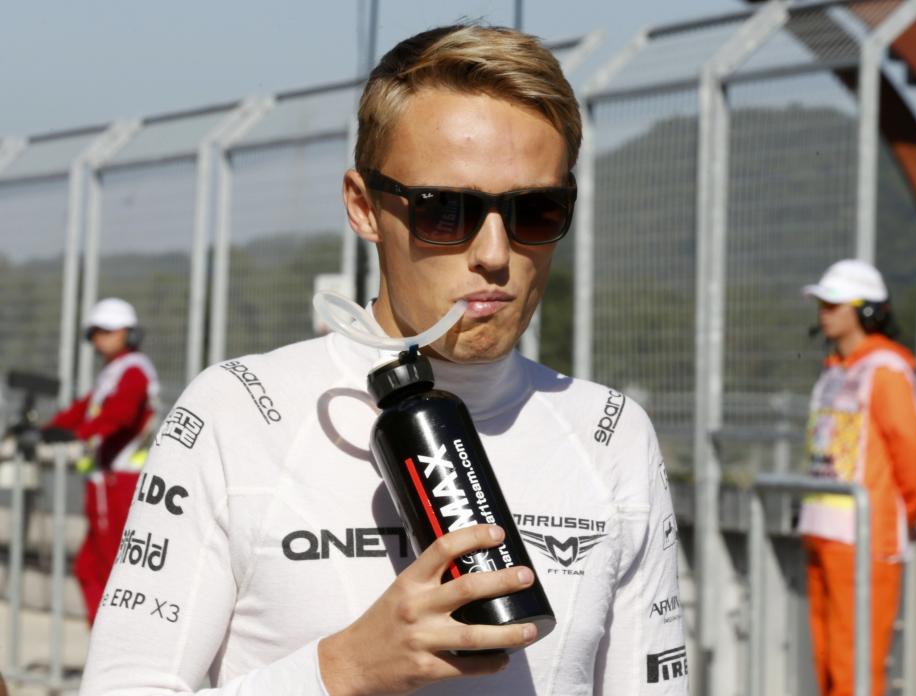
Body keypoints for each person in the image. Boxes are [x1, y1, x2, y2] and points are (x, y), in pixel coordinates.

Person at [79, 25, 688, 695]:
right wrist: (341, 670)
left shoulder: (609, 433)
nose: (494, 252)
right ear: (364, 206)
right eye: (445, 210)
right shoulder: (241, 409)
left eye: (535, 211)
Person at [799, 259, 916, 696]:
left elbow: (912, 455)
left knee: (856, 666)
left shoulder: (886, 371)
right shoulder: (835, 368)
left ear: (867, 310)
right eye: (823, 303)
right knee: (828, 667)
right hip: (823, 535)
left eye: (835, 304)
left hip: (864, 540)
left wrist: (899, 518)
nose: (825, 312)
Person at [43, 297, 159, 625]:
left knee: (112, 571)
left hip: (121, 484)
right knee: (88, 567)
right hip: (104, 484)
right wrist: (48, 431)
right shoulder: (114, 371)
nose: (100, 338)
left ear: (130, 333)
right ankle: (102, 644)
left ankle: (120, 648)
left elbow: (120, 414)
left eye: (109, 330)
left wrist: (80, 434)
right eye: (95, 332)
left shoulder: (134, 369)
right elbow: (84, 409)